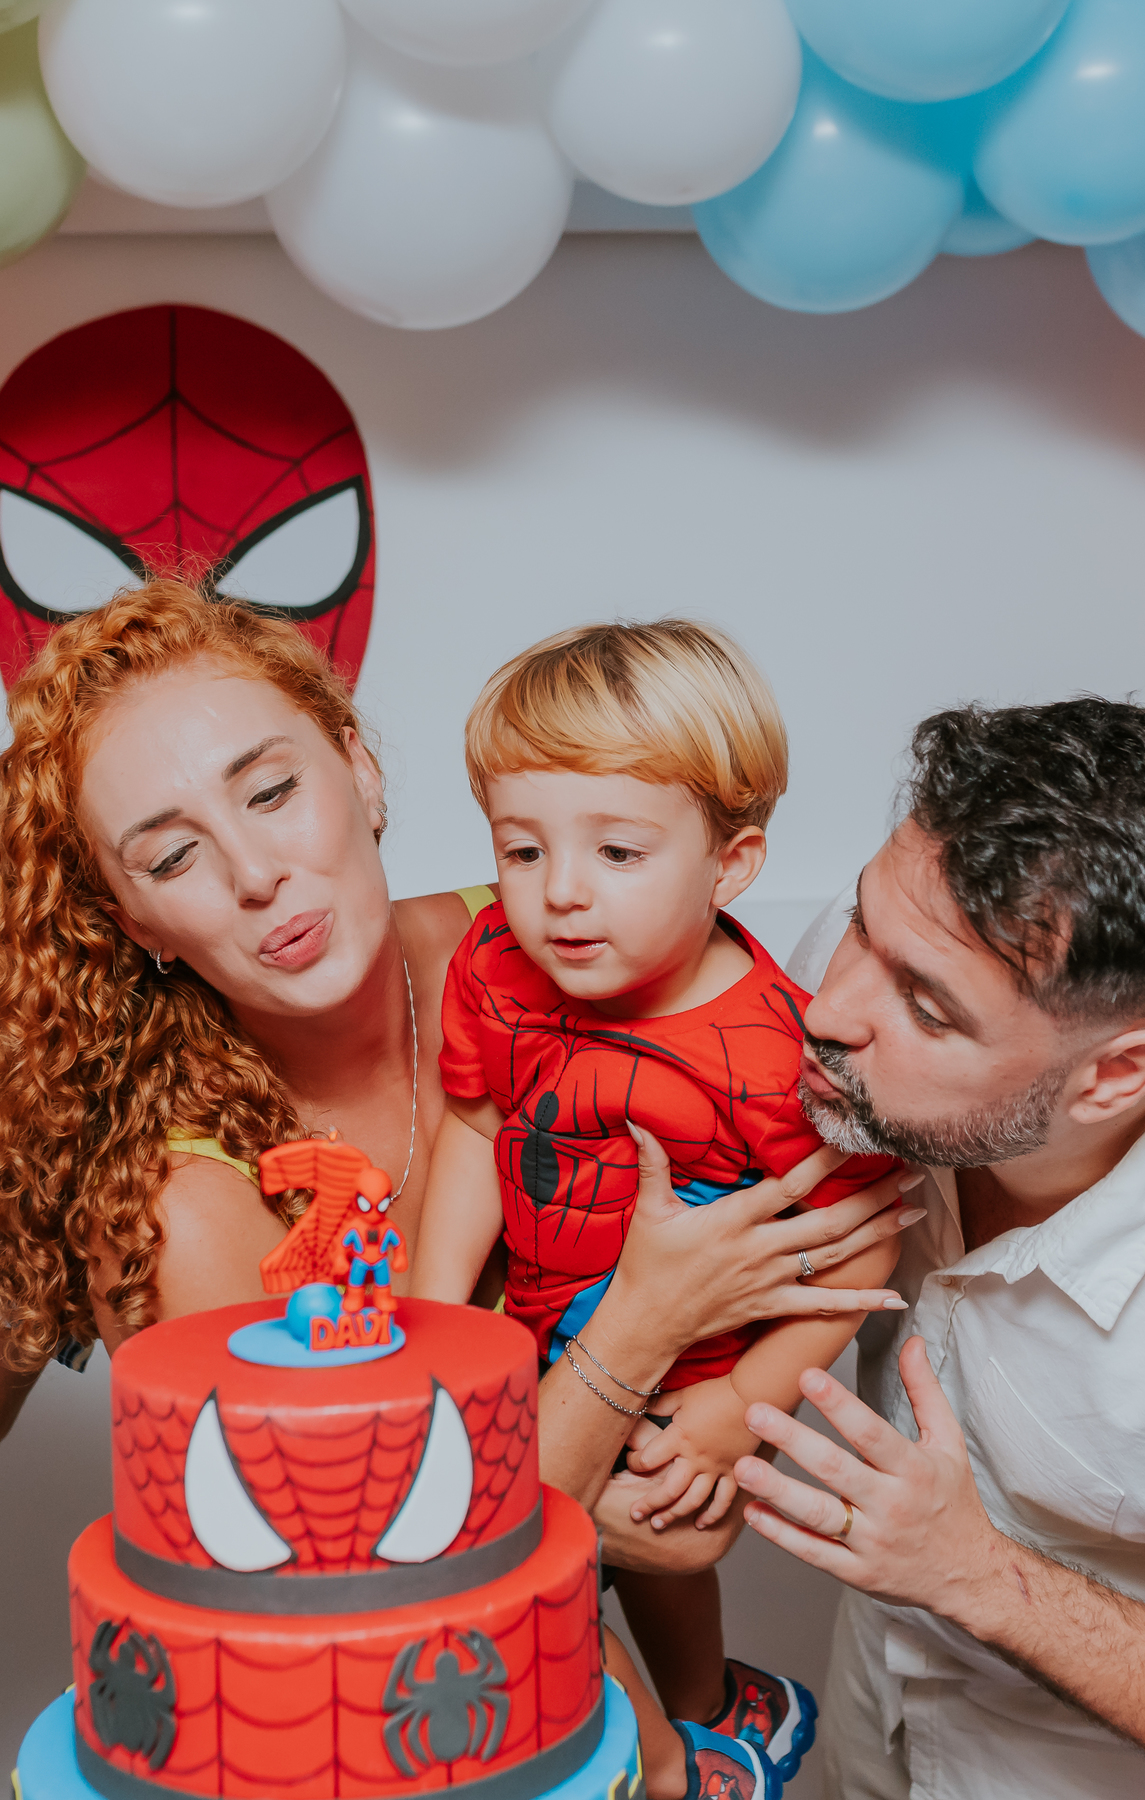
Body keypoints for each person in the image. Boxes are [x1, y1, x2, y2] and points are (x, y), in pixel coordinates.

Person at [0, 576, 917, 1630]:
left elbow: (680, 1523)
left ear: (360, 767)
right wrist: (646, 1321)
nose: (256, 874)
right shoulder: (166, 1207)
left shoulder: (555, 937)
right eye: (171, 855)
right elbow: (364, 1563)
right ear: (135, 921)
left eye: (270, 792)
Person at [411, 620, 905, 1800]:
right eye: (521, 850)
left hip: (694, 1368)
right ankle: (672, 1731)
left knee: (650, 1548)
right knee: (520, 1583)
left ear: (731, 863)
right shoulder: (491, 961)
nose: (561, 896)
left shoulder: (779, 1050)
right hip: (540, 1323)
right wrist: (430, 1321)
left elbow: (863, 1234)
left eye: (618, 853)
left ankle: (712, 1723)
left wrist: (741, 1405)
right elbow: (474, 1129)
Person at [723, 698, 1145, 1799]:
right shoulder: (869, 999)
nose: (829, 1008)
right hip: (863, 1730)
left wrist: (971, 1572)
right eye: (858, 924)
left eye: (929, 1010)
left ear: (1114, 1076)